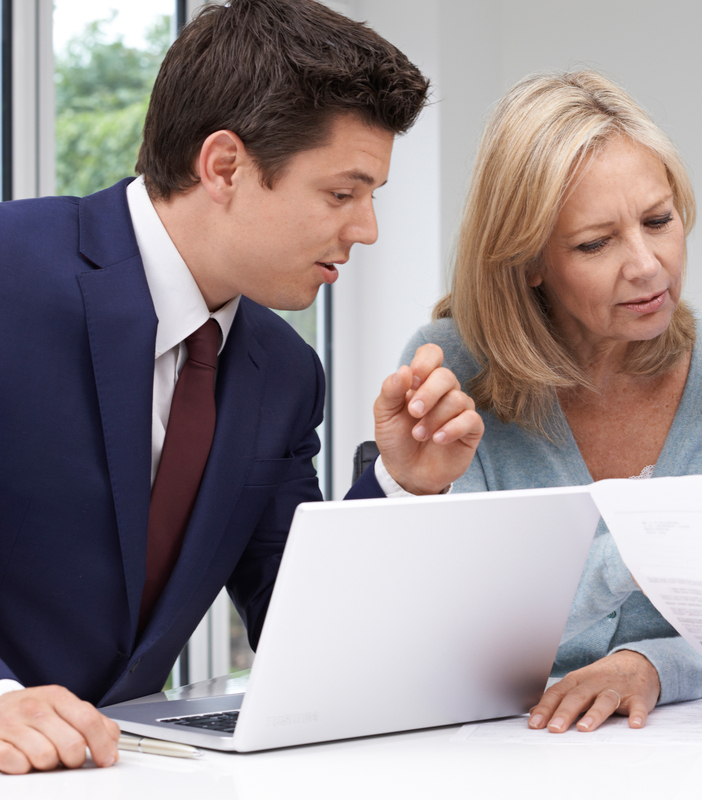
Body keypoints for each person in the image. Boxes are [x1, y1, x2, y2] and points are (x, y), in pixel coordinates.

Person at [0, 0, 482, 775]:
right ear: (223, 166)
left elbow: (307, 632)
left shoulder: (285, 374)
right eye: (341, 194)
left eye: (372, 197)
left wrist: (404, 486)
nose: (367, 230)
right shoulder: (9, 268)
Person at [398, 70, 702, 735]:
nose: (648, 265)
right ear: (529, 261)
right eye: (595, 243)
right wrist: (639, 548)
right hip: (500, 755)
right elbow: (459, 636)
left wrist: (651, 668)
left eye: (659, 220)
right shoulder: (451, 371)